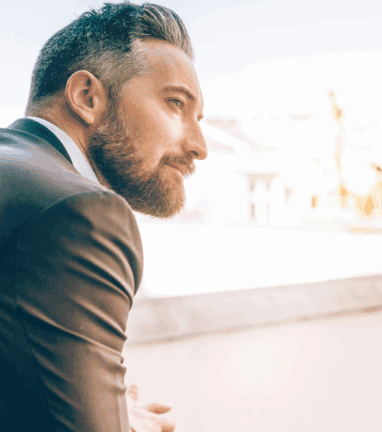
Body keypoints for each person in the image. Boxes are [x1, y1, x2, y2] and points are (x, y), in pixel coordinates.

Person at [0, 3, 207, 431]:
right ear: (87, 97)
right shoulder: (80, 213)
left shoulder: (16, 180)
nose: (199, 146)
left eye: (198, 118)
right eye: (175, 104)